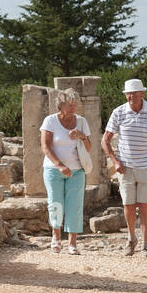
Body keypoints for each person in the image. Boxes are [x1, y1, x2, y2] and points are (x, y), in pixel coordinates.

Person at [101, 78, 147, 256]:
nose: (131, 96)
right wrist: (115, 161)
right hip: (125, 166)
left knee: (145, 206)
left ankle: (145, 245)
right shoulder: (118, 112)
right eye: (128, 93)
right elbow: (105, 140)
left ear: (142, 94)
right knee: (128, 206)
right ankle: (131, 238)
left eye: (134, 93)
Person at [40, 87, 92, 254]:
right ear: (60, 106)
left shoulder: (82, 121)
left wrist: (82, 136)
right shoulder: (50, 121)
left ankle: (72, 243)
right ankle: (55, 238)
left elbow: (89, 147)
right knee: (55, 203)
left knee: (74, 205)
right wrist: (60, 165)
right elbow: (45, 147)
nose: (73, 107)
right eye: (70, 104)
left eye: (74, 104)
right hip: (53, 170)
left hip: (77, 170)